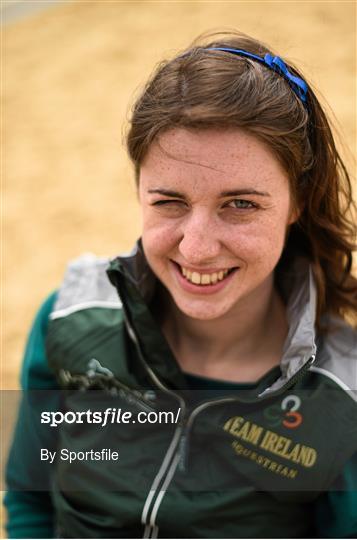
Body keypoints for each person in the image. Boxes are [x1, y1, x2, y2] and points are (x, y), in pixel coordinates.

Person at [5, 30, 357, 539]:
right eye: (169, 201)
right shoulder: (68, 317)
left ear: (297, 201)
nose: (195, 249)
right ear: (138, 189)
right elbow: (30, 502)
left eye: (240, 204)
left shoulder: (341, 395)